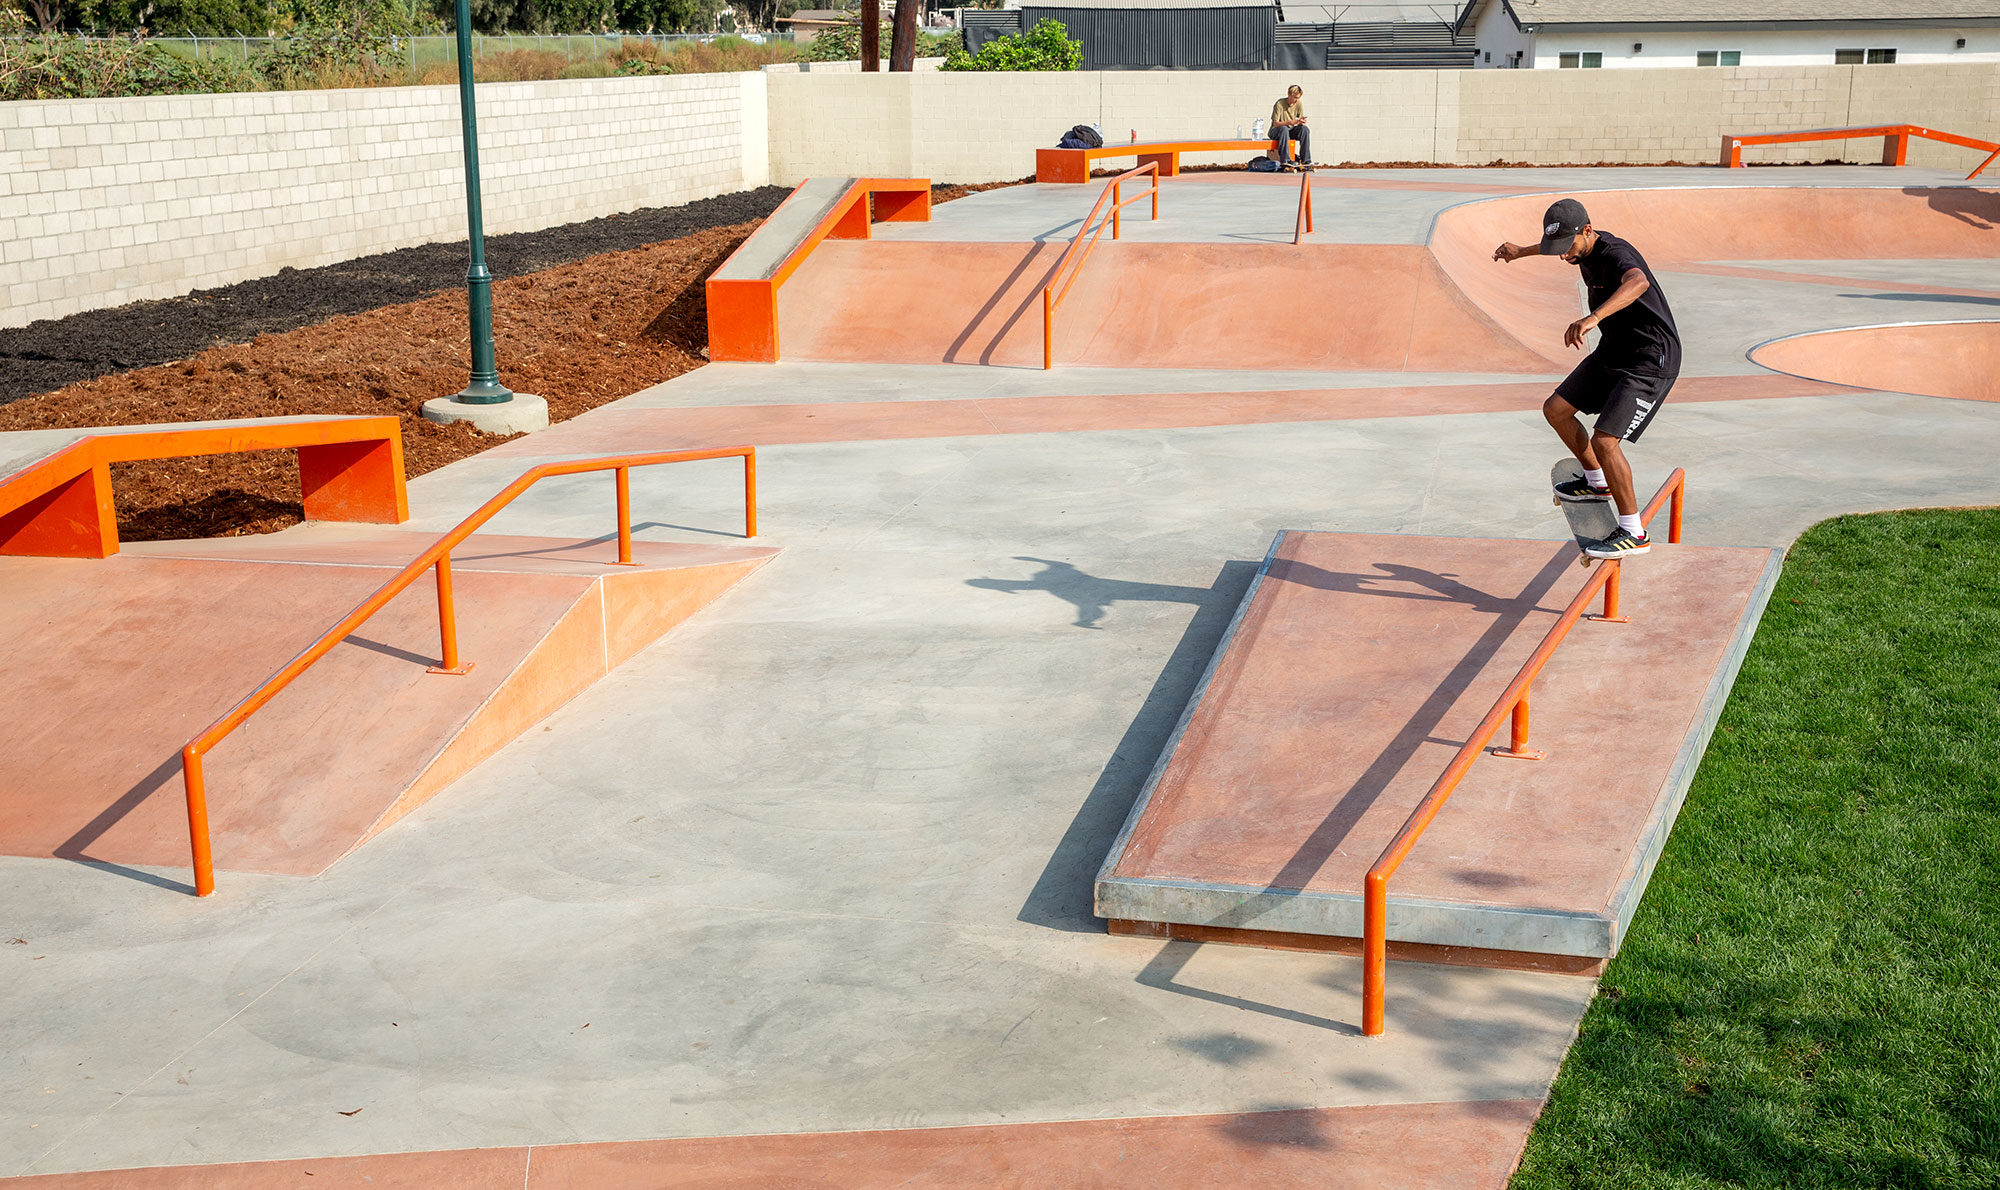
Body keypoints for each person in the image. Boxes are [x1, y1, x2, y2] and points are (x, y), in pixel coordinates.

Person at [1493, 198, 1680, 558]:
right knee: (1556, 409)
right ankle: (1597, 483)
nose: (1564, 257)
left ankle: (1633, 532)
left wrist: (1593, 318)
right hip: (1615, 350)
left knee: (1606, 441)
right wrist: (1521, 251)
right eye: (1558, 250)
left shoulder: (1616, 254)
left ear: (1589, 230)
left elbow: (1638, 282)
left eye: (1568, 248)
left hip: (1649, 359)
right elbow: (1559, 244)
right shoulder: (1579, 245)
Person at [1270, 85, 1311, 170]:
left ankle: (1306, 160)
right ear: (1289, 94)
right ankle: (1285, 160)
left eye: (1298, 98)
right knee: (1284, 129)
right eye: (1295, 97)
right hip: (1277, 131)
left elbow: (1299, 119)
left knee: (1305, 130)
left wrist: (1301, 122)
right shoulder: (1279, 104)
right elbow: (1275, 123)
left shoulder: (1298, 103)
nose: (1296, 100)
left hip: (1290, 130)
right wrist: (1290, 122)